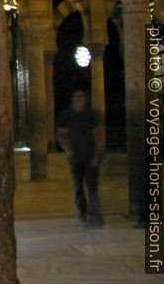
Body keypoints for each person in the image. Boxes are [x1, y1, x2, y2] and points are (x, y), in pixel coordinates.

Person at [57, 90, 104, 226]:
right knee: (78, 186)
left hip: (90, 156)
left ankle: (94, 215)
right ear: (73, 99)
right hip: (75, 157)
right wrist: (68, 151)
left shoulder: (91, 115)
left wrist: (97, 155)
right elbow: (61, 134)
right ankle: (82, 212)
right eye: (78, 97)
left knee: (92, 187)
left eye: (82, 97)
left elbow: (99, 134)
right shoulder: (67, 115)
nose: (80, 100)